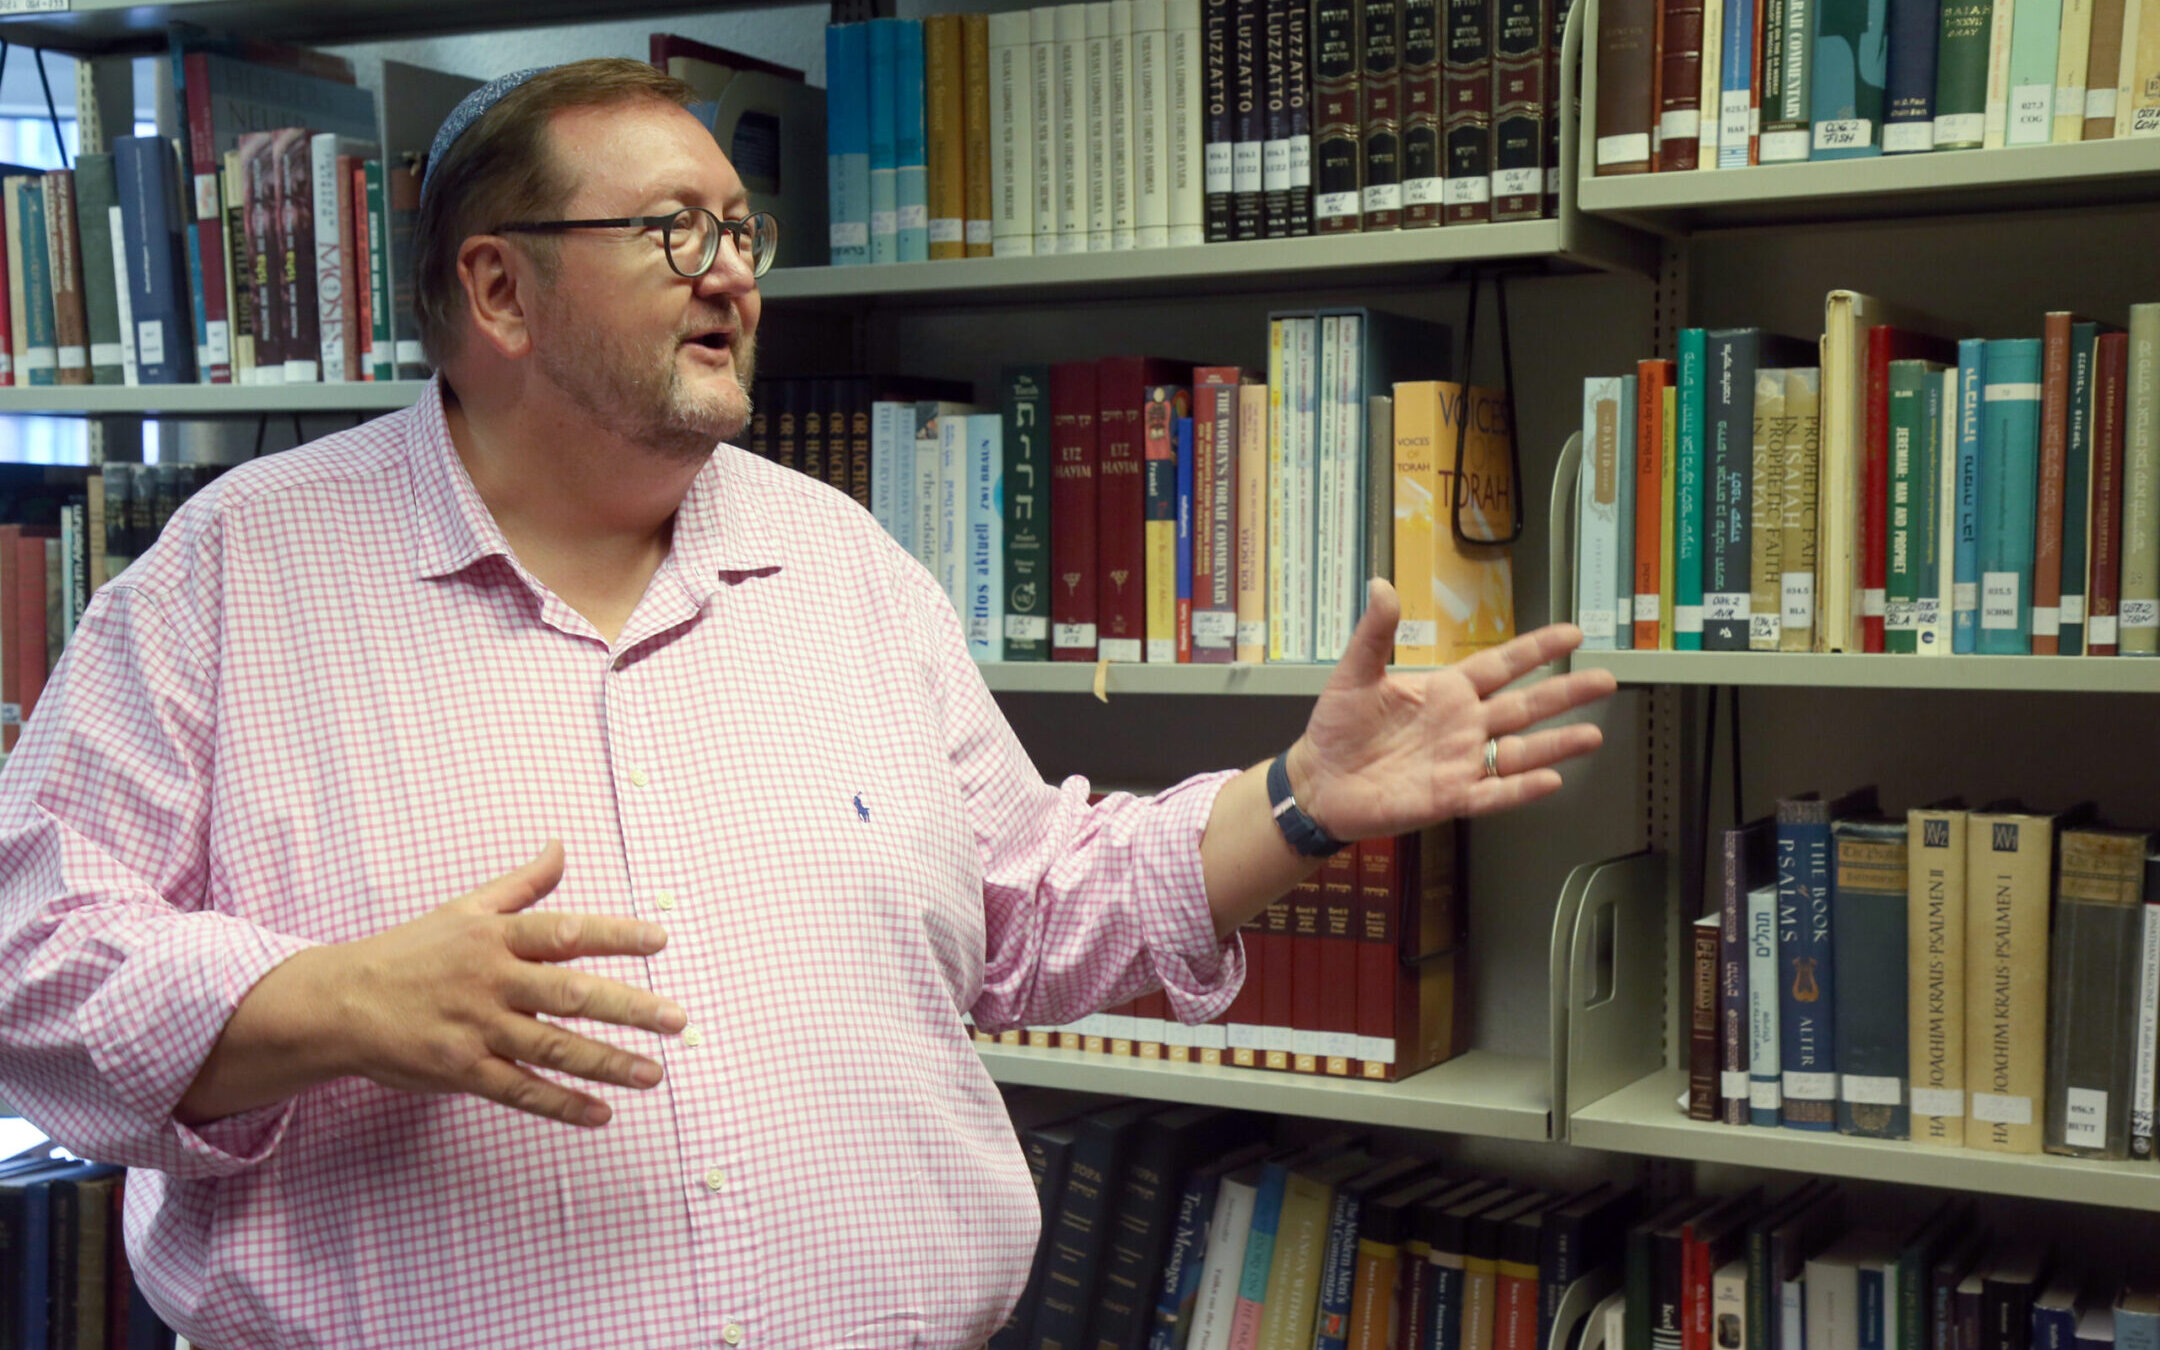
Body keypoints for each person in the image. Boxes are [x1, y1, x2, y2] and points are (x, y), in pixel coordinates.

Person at [0, 59, 1616, 1349]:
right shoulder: (239, 574)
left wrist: (1296, 800)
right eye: (674, 235)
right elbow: (29, 960)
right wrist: (336, 1003)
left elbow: (1026, 906)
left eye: (742, 233)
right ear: (498, 290)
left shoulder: (836, 557)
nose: (733, 278)